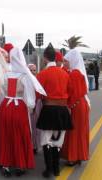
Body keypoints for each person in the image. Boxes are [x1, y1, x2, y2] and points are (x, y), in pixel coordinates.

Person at [0, 46, 46, 177]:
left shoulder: (5, 74)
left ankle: (5, 165)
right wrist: (29, 109)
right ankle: (20, 164)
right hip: (19, 107)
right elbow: (30, 99)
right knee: (21, 135)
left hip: (6, 107)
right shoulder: (24, 76)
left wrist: (1, 106)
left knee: (6, 136)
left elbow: (1, 94)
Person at [36, 45, 72, 178]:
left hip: (49, 109)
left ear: (45, 58)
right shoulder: (65, 73)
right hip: (62, 110)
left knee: (46, 139)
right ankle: (56, 169)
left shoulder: (42, 74)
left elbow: (38, 94)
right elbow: (70, 91)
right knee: (59, 139)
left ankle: (48, 169)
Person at [62, 49, 90, 166]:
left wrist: (67, 105)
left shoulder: (74, 74)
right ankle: (79, 155)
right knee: (80, 131)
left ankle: (72, 157)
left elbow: (72, 92)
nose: (65, 63)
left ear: (72, 60)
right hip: (81, 104)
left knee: (73, 131)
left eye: (66, 61)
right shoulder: (80, 72)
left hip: (76, 105)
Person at [28, 63, 42, 153]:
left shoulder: (37, 79)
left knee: (36, 127)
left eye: (34, 70)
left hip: (37, 105)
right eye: (31, 70)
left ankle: (35, 145)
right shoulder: (27, 80)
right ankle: (32, 145)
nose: (33, 72)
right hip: (30, 106)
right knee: (31, 126)